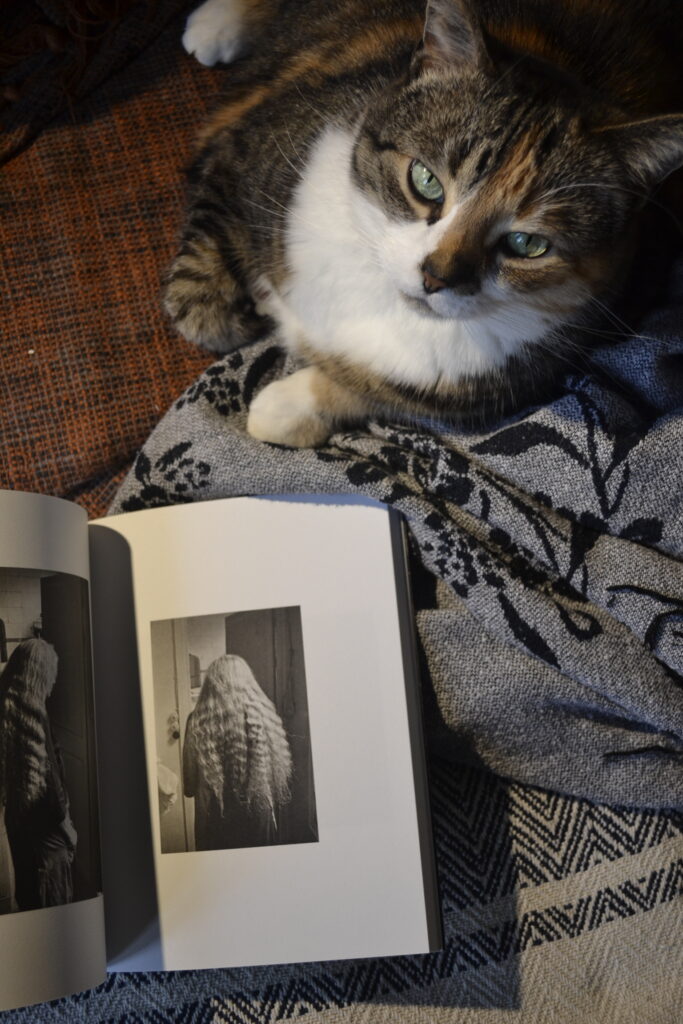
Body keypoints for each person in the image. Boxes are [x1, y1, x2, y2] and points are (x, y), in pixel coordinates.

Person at [182, 654, 292, 851]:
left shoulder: (196, 721)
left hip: (214, 822)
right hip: (258, 818)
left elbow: (189, 787)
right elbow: (277, 779)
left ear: (211, 684)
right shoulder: (263, 716)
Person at [0, 638, 76, 911]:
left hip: (18, 831)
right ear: (39, 674)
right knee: (53, 909)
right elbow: (52, 790)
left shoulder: (7, 709)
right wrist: (66, 828)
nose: (53, 683)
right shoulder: (35, 715)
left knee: (30, 901)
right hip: (46, 839)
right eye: (51, 674)